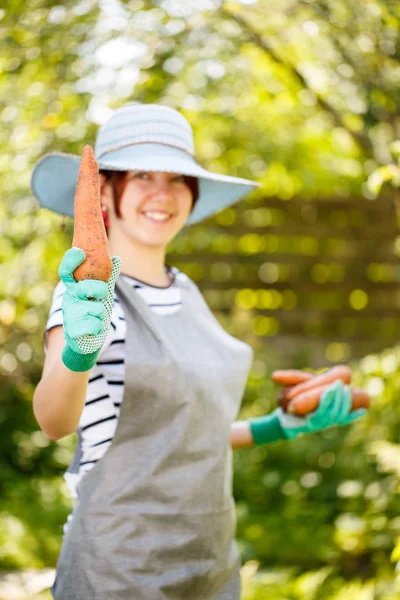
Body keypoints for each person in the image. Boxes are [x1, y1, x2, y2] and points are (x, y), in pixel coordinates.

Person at [31, 103, 367, 600]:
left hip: (208, 567)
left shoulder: (184, 290)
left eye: (178, 178)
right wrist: (78, 354)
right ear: (103, 190)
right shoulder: (87, 296)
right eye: (142, 174)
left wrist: (277, 426)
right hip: (118, 572)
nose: (162, 193)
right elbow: (54, 421)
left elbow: (179, 433)